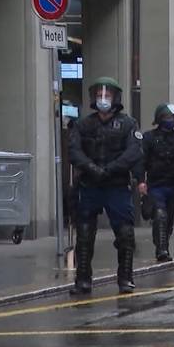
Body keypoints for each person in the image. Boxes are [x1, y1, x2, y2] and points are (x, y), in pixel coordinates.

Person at [68, 77, 143, 295]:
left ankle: (126, 278)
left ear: (115, 98)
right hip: (89, 184)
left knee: (125, 233)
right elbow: (74, 150)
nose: (103, 99)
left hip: (116, 185)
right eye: (99, 95)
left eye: (107, 96)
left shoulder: (129, 124)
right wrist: (91, 168)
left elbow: (133, 152)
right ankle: (82, 280)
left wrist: (110, 169)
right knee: (84, 233)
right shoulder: (84, 124)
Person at [137, 104, 174, 263]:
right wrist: (141, 181)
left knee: (168, 218)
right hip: (156, 185)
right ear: (160, 119)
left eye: (173, 118)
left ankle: (163, 242)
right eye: (167, 118)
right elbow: (141, 160)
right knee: (160, 215)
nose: (171, 121)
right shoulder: (149, 138)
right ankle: (161, 250)